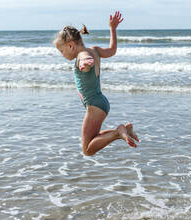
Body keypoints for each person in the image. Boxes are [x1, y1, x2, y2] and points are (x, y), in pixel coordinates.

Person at [54, 11, 138, 156]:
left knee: (87, 150)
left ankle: (119, 132)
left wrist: (85, 64)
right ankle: (124, 131)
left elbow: (84, 59)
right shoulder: (95, 50)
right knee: (94, 137)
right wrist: (112, 29)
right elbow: (112, 51)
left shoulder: (82, 55)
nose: (62, 54)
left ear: (71, 45)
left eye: (62, 50)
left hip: (94, 105)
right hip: (101, 103)